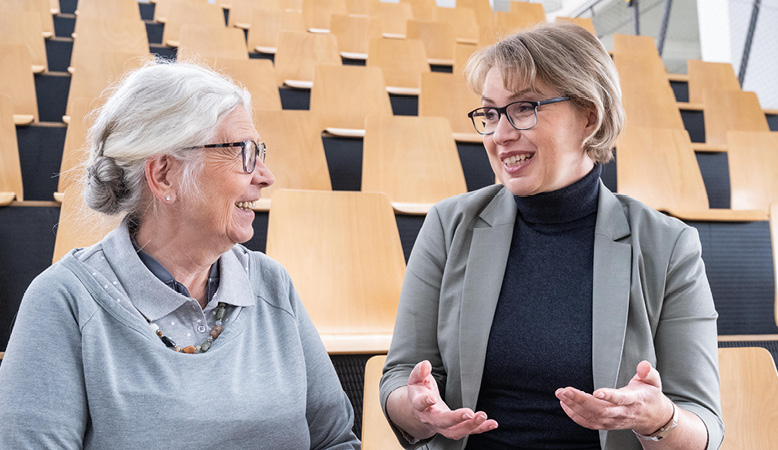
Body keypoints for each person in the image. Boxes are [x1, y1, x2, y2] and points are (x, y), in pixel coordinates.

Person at [379, 22, 723, 450]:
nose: (500, 135)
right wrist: (417, 408)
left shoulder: (668, 245)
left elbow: (703, 426)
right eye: (490, 113)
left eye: (524, 108)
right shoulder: (450, 224)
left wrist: (658, 418)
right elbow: (401, 375)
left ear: (589, 117)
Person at [0, 61, 360, 449]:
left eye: (261, 151)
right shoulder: (63, 301)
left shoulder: (272, 285)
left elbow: (335, 440)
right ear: (164, 175)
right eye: (243, 152)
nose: (265, 175)